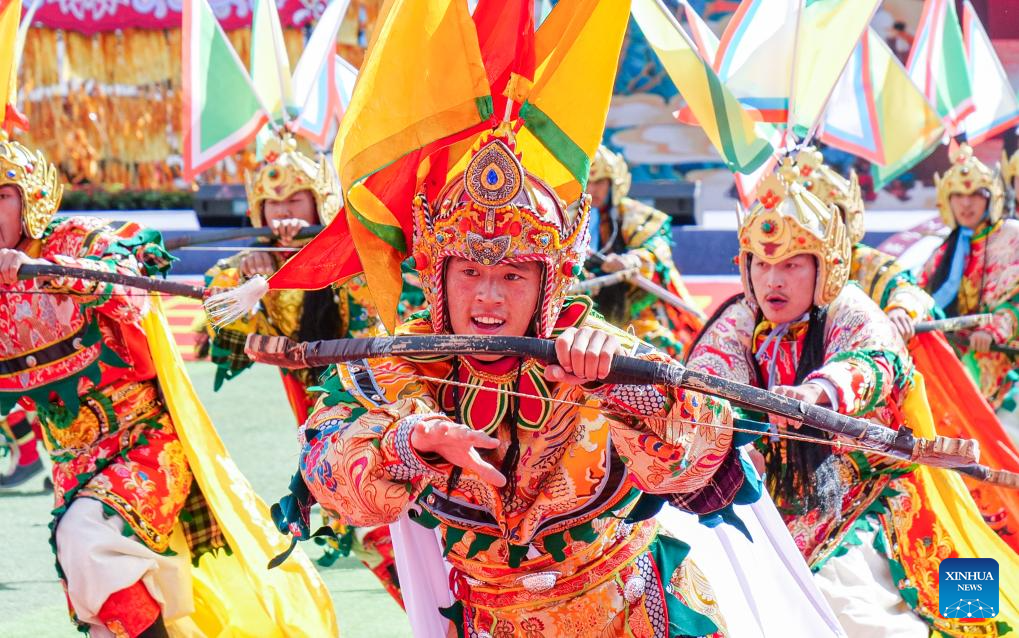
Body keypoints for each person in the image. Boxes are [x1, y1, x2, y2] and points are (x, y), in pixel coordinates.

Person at [290, 133, 747, 636]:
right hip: (491, 620)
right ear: (438, 277)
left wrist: (620, 389)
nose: (487, 296)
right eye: (468, 271)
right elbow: (326, 474)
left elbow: (700, 463)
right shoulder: (400, 365)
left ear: (548, 284)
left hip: (632, 608)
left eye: (512, 276)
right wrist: (411, 442)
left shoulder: (597, 352)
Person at [0, 135, 335, 636]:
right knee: (103, 606)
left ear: (32, 197)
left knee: (87, 542)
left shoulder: (75, 242)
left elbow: (133, 291)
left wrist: (53, 275)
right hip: (71, 460)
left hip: (146, 443)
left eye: (2, 195)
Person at [686, 166, 1019, 636]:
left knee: (886, 612)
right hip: (780, 492)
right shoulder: (742, 317)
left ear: (825, 267)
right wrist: (721, 422)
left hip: (867, 488)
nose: (772, 280)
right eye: (760, 264)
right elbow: (710, 374)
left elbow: (876, 360)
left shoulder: (851, 305)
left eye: (791, 264)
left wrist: (816, 393)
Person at [201, 133, 401, 601]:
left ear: (319, 203)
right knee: (358, 524)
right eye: (271, 203)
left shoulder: (355, 252)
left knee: (384, 517)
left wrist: (307, 261)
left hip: (372, 398)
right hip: (314, 416)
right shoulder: (251, 269)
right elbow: (217, 323)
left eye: (296, 198)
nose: (283, 211)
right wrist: (256, 272)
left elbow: (375, 303)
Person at [920, 144, 1019, 422]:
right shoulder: (944, 250)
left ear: (992, 198)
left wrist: (993, 330)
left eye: (976, 194)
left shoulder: (1012, 236)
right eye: (958, 196)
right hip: (959, 364)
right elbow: (919, 294)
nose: (966, 203)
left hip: (1006, 366)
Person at [792, 147, 932, 340]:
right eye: (809, 221)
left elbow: (906, 288)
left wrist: (900, 309)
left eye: (829, 219)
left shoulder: (864, 261)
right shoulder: (779, 264)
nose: (819, 230)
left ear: (846, 220)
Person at [584, 145, 703, 357]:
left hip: (636, 308)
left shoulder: (633, 214)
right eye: (589, 183)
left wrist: (631, 261)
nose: (593, 190)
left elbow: (657, 249)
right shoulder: (574, 216)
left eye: (600, 182)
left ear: (614, 182)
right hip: (588, 308)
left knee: (652, 348)